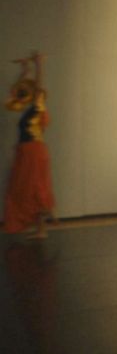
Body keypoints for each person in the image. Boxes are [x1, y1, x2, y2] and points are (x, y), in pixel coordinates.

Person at [4, 52, 55, 239]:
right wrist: (25, 70)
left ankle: (42, 224)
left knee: (33, 188)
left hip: (33, 151)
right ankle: (40, 227)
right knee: (26, 188)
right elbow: (16, 93)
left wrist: (39, 65)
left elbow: (38, 88)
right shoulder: (27, 109)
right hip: (27, 151)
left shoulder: (37, 107)